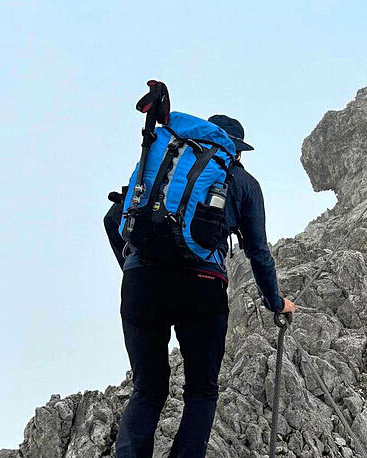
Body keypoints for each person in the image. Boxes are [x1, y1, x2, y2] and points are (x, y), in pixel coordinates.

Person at [104, 114, 295, 458]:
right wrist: (276, 302)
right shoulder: (242, 182)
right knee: (201, 392)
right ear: (235, 149)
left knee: (146, 389)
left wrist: (133, 267)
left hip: (141, 283)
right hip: (201, 287)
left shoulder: (164, 165)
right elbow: (258, 251)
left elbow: (113, 218)